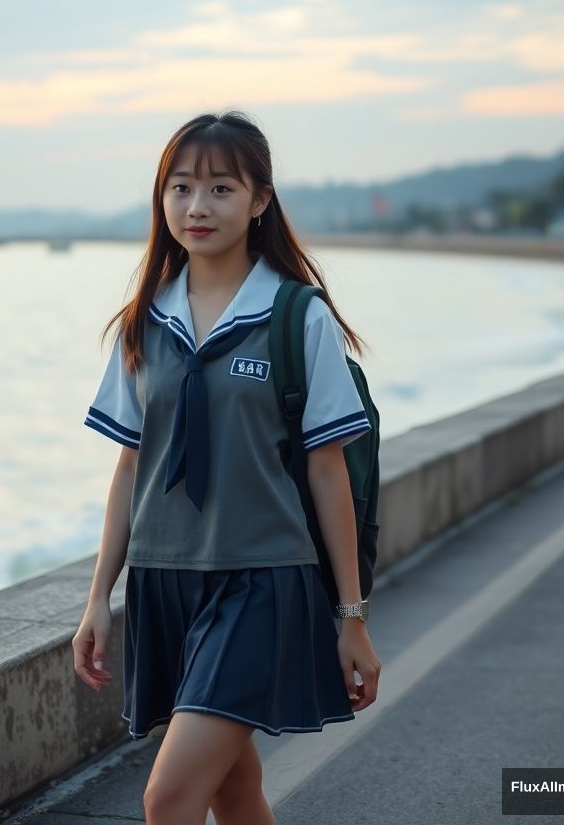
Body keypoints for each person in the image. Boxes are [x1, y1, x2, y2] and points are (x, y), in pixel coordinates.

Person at [71, 109, 381, 825]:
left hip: (261, 582)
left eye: (219, 189)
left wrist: (352, 616)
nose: (196, 207)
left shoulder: (298, 317)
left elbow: (329, 473)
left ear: (260, 200)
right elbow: (129, 469)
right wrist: (97, 597)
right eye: (179, 189)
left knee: (169, 799)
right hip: (164, 584)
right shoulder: (145, 321)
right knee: (236, 795)